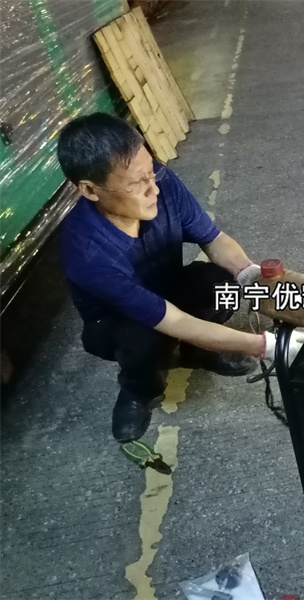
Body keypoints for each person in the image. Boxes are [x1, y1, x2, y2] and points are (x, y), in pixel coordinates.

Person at [56, 112, 267, 443]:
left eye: (151, 172)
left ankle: (199, 352)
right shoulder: (87, 250)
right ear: (90, 190)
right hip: (119, 324)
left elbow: (214, 239)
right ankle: (138, 389)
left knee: (222, 283)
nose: (153, 188)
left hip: (167, 288)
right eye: (136, 183)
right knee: (142, 336)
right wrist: (264, 345)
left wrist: (252, 278)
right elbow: (175, 321)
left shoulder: (161, 184)